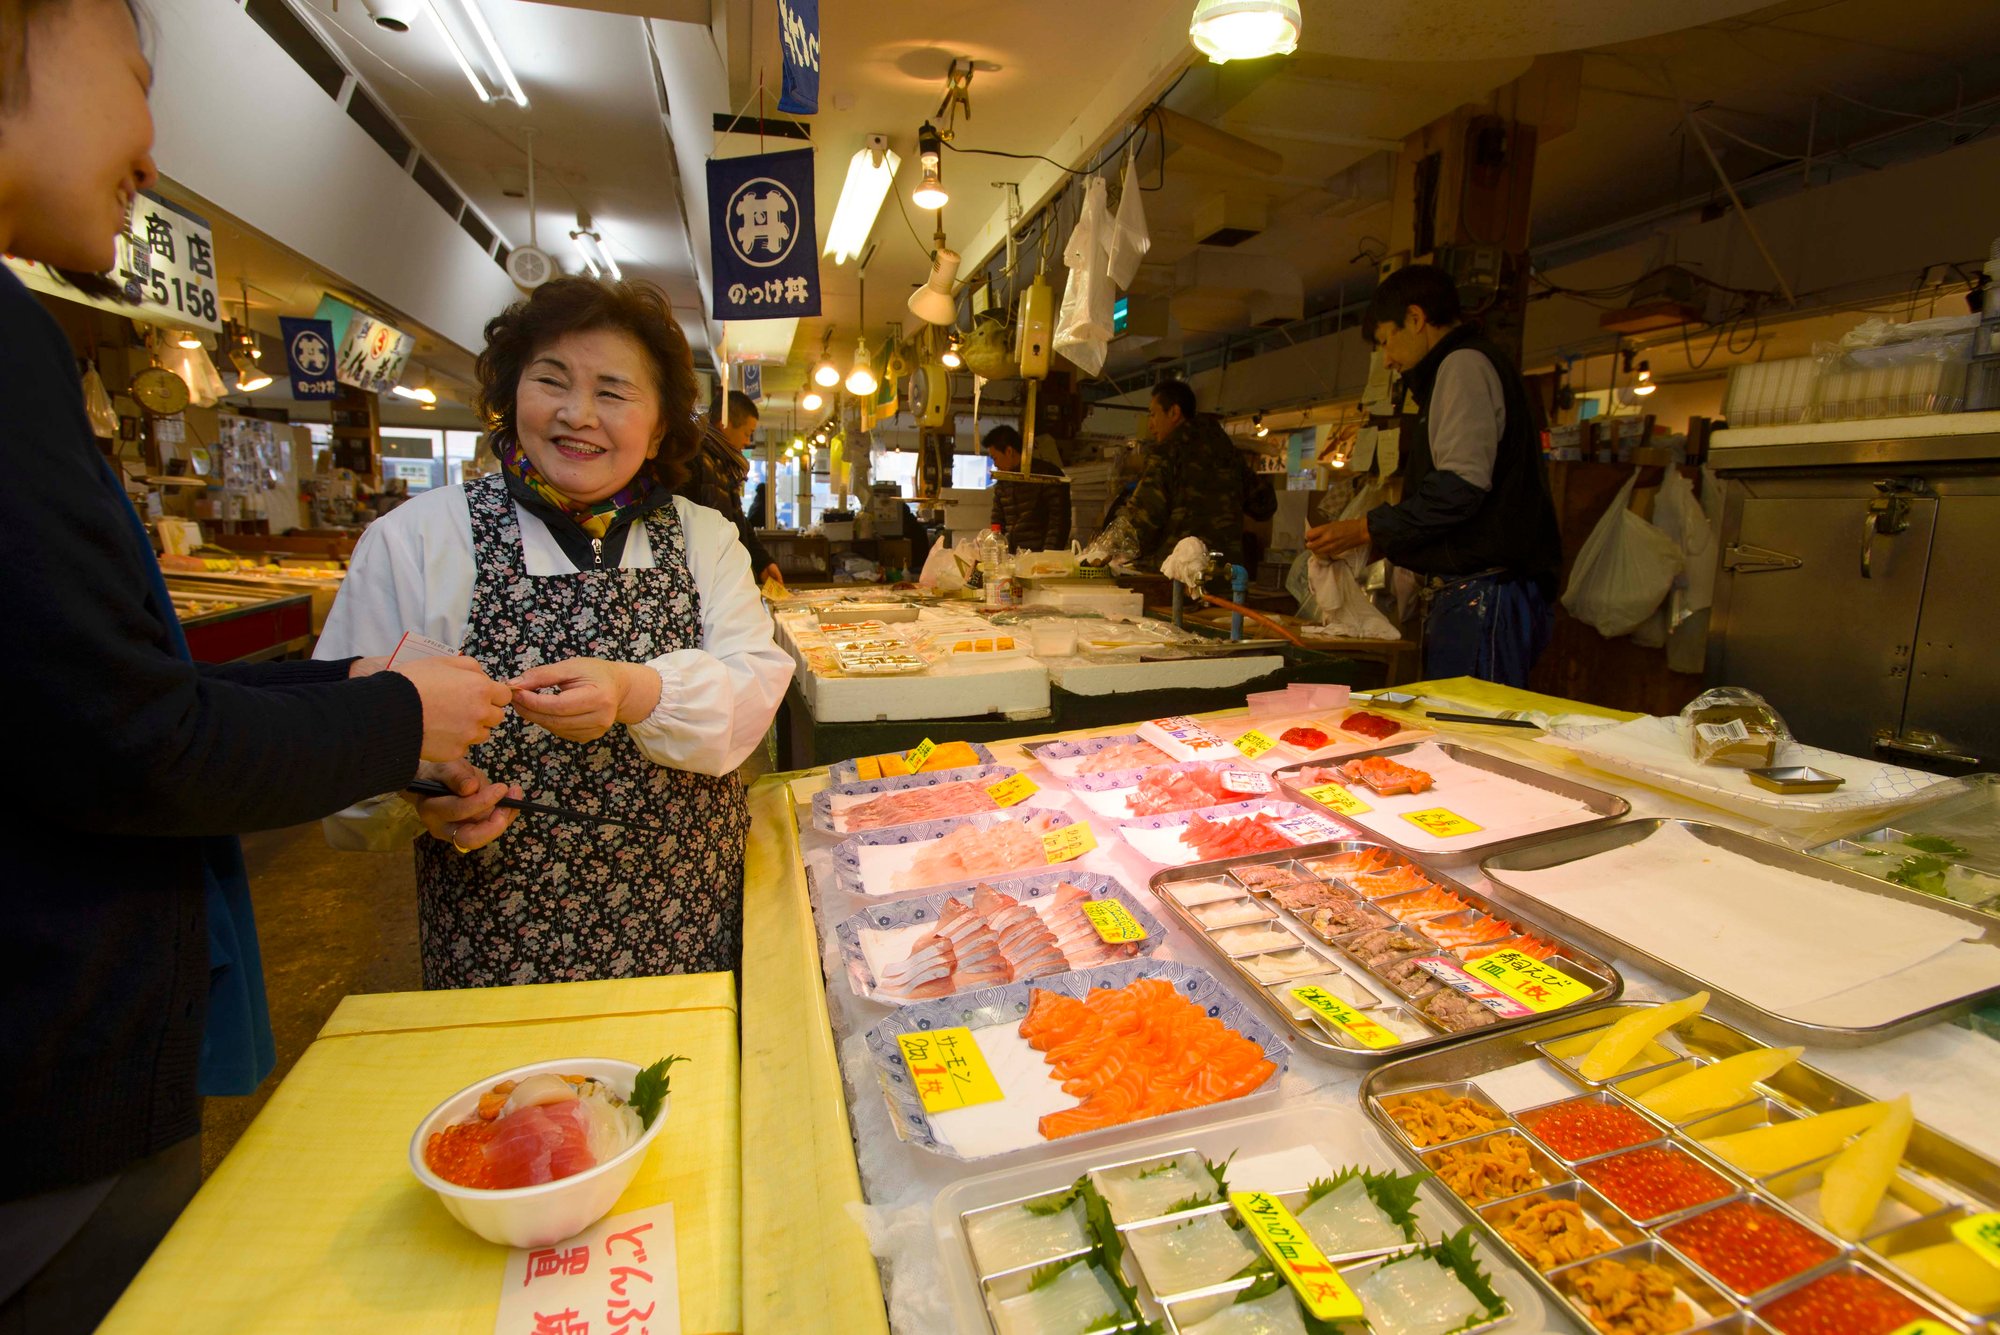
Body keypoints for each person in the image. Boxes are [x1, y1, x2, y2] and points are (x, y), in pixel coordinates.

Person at [0, 1, 511, 1326]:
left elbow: (90, 700)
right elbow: (131, 741)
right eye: (135, 75)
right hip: (40, 1082)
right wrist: (399, 714)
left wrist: (349, 698)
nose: (152, 147)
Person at [316, 276, 794, 988]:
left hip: (688, 916)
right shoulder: (417, 539)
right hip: (497, 930)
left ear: (659, 423)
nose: (578, 415)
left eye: (612, 391)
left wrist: (637, 690)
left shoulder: (705, 538)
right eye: (551, 381)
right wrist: (420, 792)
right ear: (512, 397)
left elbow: (754, 689)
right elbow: (335, 750)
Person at [1305, 264, 1562, 686]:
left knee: (1473, 729)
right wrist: (1381, 542)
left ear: (1416, 319)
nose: (1387, 359)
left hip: (1487, 595)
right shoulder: (1457, 369)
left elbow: (1460, 488)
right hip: (1478, 592)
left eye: (1386, 341)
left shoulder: (1463, 366)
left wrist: (1368, 528)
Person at [1119, 378, 1246, 568]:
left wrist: (1110, 552)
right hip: (1228, 573)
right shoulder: (1229, 454)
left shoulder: (1167, 453)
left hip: (1180, 573)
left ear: (1174, 412)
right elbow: (1265, 504)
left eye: (1153, 415)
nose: (1150, 425)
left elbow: (1141, 523)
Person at [690, 389, 781, 586]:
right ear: (725, 424)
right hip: (709, 586)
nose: (747, 441)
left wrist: (762, 562)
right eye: (747, 433)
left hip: (726, 581)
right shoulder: (695, 459)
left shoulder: (721, 463)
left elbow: (737, 520)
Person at [981, 423, 1069, 553]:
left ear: (1009, 451)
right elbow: (997, 522)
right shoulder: (1003, 482)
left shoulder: (1047, 475)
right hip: (1013, 557)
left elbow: (1059, 522)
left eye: (995, 458)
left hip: (1041, 556)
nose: (995, 464)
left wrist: (1048, 556)